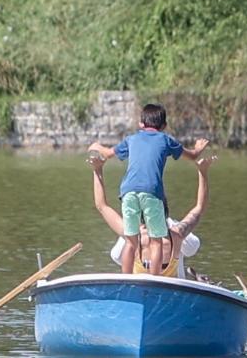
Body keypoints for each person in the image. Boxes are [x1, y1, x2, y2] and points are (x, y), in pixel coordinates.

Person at [88, 103, 208, 275]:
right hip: (151, 191)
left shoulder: (131, 139)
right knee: (156, 241)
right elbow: (193, 156)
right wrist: (198, 149)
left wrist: (97, 149)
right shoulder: (166, 139)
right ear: (164, 126)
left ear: (141, 124)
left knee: (130, 241)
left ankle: (126, 279)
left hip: (127, 191)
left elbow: (107, 155)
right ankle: (155, 279)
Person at [87, 153, 216, 278]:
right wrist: (203, 172)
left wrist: (97, 170)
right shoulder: (177, 234)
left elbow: (102, 206)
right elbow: (199, 208)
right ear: (164, 211)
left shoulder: (133, 235)